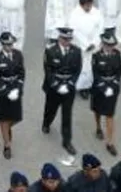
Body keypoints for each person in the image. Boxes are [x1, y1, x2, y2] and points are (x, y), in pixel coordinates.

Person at [42, 26, 83, 155]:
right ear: (59, 38)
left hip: (68, 88)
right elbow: (48, 70)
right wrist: (56, 85)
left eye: (69, 39)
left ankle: (67, 141)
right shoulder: (50, 51)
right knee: (51, 109)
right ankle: (46, 123)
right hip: (54, 87)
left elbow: (77, 70)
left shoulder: (76, 51)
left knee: (67, 114)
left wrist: (70, 84)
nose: (67, 42)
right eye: (64, 39)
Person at [0, 31, 26, 159]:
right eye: (6, 45)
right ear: (2, 45)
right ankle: (7, 145)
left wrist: (18, 89)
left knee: (16, 117)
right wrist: (7, 91)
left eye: (11, 44)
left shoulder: (18, 55)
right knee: (4, 119)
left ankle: (7, 129)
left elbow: (22, 74)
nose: (9, 47)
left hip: (15, 89)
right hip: (2, 92)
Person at [88, 31, 121, 156]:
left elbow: (119, 72)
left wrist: (113, 86)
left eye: (112, 45)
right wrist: (103, 87)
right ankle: (98, 127)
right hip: (99, 87)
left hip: (112, 87)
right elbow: (96, 74)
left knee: (109, 114)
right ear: (103, 44)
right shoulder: (96, 56)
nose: (110, 47)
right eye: (108, 45)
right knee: (97, 110)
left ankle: (110, 142)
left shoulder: (117, 55)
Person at [69, 0, 103, 96]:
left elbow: (100, 28)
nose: (88, 7)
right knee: (83, 67)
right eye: (86, 6)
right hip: (81, 45)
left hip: (94, 44)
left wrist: (94, 42)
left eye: (90, 5)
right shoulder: (75, 14)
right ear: (81, 5)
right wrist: (86, 44)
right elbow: (74, 31)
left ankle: (93, 85)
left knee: (93, 66)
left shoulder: (97, 13)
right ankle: (82, 87)